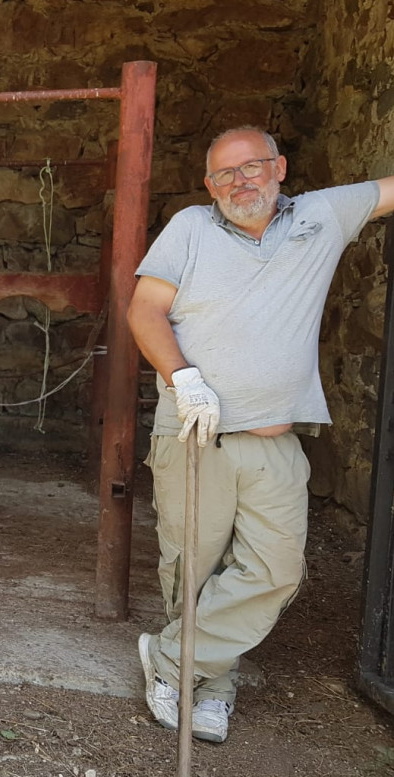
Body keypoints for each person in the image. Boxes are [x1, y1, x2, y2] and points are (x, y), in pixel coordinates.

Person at [127, 126, 394, 743]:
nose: (239, 182)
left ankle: (171, 661)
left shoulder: (323, 215)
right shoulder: (191, 228)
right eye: (223, 174)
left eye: (251, 168)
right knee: (193, 568)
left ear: (279, 167)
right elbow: (145, 309)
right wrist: (184, 377)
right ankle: (210, 685)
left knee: (275, 569)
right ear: (208, 185)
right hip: (197, 429)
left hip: (275, 440)